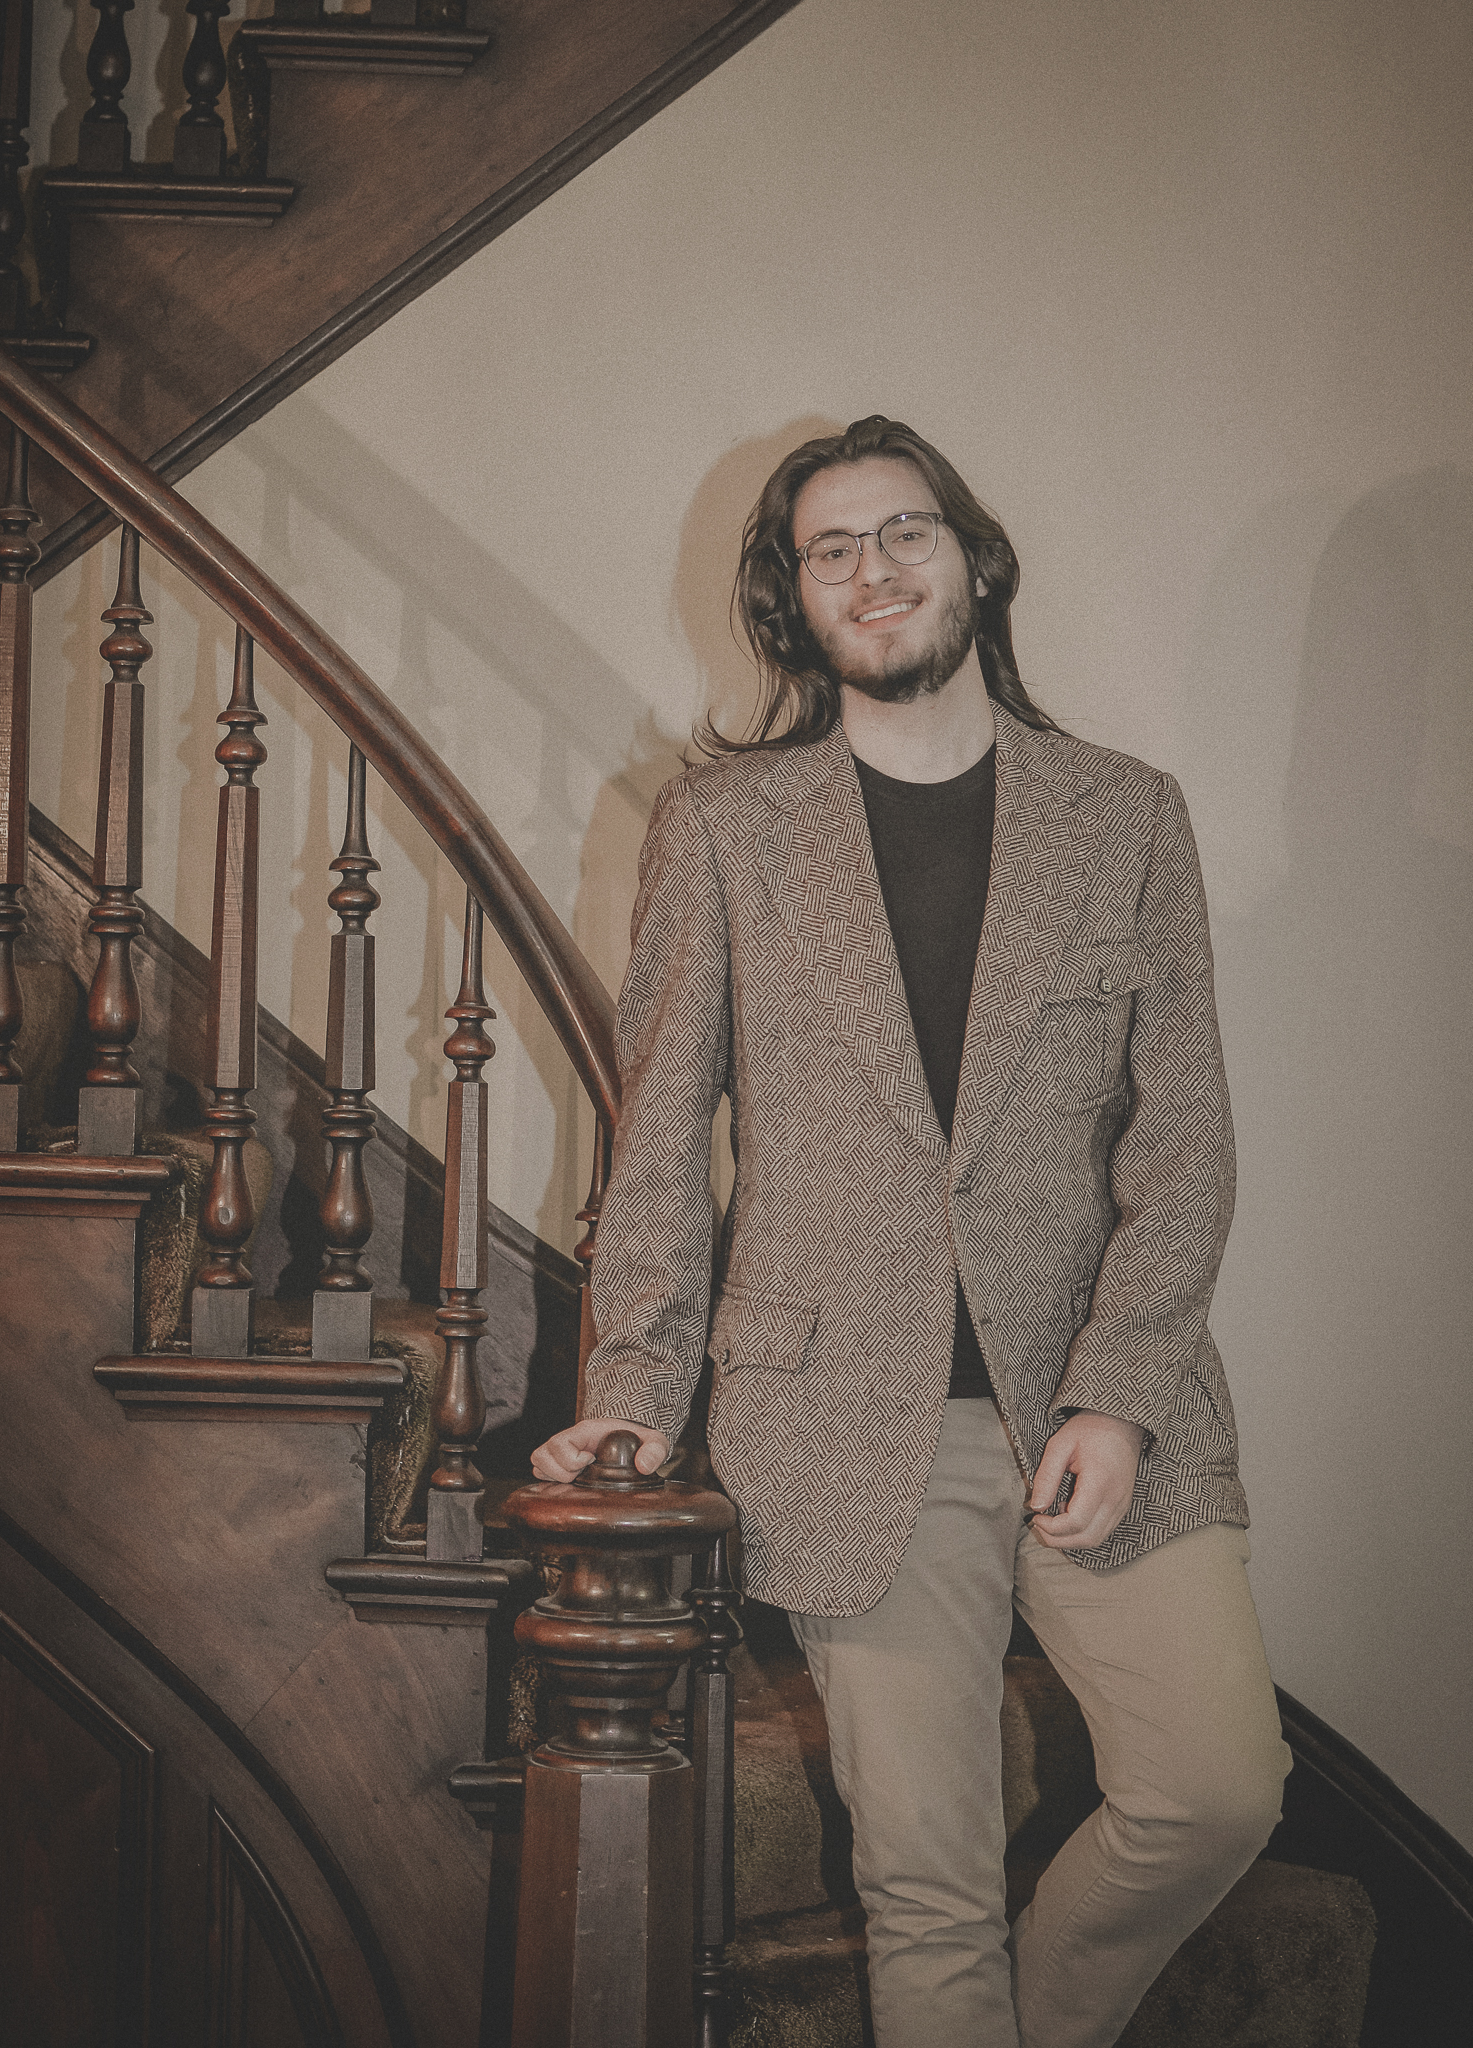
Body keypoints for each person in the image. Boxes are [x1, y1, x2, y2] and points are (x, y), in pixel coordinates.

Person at [532, 415, 1290, 2048]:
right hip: (844, 1415)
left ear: (974, 562)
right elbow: (658, 1144)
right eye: (832, 550)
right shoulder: (722, 830)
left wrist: (1120, 1391)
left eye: (904, 532)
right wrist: (638, 1390)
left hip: (1098, 1403)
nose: (872, 570)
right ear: (794, 602)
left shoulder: (1126, 816)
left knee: (1220, 1791)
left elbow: (1185, 1139)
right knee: (926, 1891)